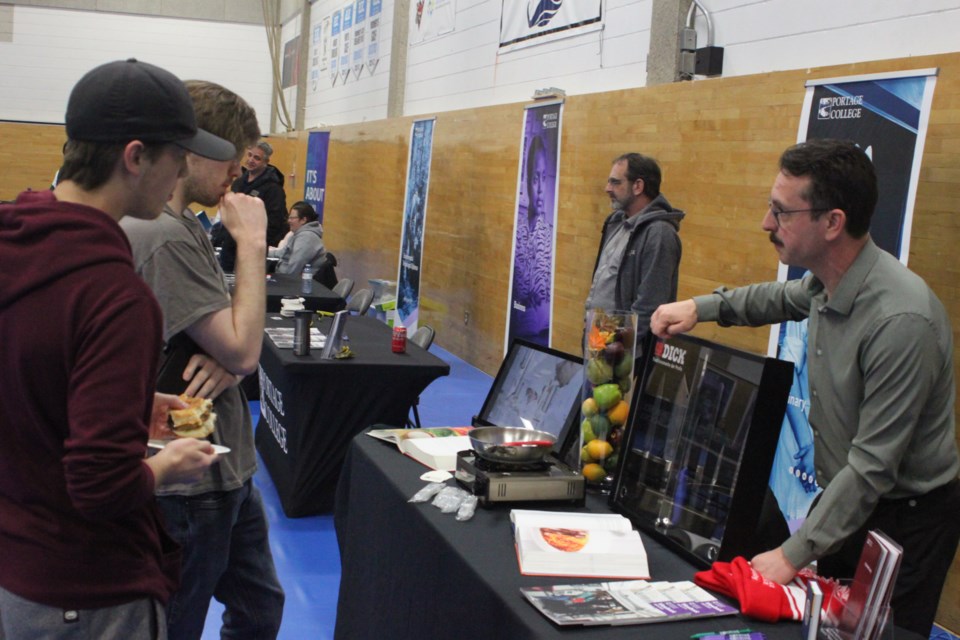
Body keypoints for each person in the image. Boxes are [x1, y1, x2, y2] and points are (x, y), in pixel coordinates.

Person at [650, 138, 960, 636]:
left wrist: (793, 553)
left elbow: (873, 466)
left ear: (832, 223)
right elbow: (776, 298)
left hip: (907, 518)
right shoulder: (826, 282)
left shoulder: (901, 320)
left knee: (883, 633)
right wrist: (699, 308)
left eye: (781, 212)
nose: (766, 224)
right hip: (850, 499)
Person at [0, 58, 224, 638]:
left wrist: (127, 402)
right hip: (86, 589)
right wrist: (164, 467)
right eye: (176, 156)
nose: (178, 173)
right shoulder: (116, 296)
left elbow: (30, 379)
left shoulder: (16, 244)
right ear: (135, 156)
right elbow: (100, 486)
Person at [121, 80, 284, 640]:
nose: (236, 174)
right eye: (231, 160)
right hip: (193, 480)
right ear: (193, 151)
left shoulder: (186, 223)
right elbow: (241, 345)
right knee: (179, 622)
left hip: (226, 466)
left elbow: (234, 346)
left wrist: (235, 357)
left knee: (260, 609)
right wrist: (254, 242)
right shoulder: (161, 233)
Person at [586, 152, 684, 353]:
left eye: (615, 182)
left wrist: (617, 347)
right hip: (599, 344)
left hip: (624, 355)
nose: (607, 189)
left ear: (638, 186)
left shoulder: (659, 234)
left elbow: (650, 306)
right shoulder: (615, 222)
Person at [211, 140, 287, 271]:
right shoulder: (238, 182)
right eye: (250, 155)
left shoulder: (273, 189)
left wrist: (255, 241)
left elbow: (275, 223)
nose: (251, 160)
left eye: (257, 158)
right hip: (229, 247)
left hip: (253, 251)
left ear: (265, 162)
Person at [511, 134, 553, 340]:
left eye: (544, 178)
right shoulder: (516, 232)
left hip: (539, 334)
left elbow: (545, 303)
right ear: (527, 180)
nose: (540, 189)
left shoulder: (549, 238)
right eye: (535, 178)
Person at [270, 200, 326, 276]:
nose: (288, 221)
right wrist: (264, 252)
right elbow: (283, 253)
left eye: (292, 218)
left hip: (294, 284)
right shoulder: (299, 234)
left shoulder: (306, 238)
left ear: (303, 220)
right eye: (289, 218)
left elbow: (291, 272)